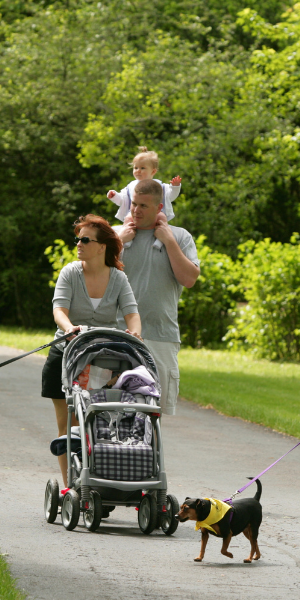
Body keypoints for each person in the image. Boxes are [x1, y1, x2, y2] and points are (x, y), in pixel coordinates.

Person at [43, 214, 142, 484]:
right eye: (77, 239)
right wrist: (69, 328)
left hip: (102, 359)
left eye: (85, 239)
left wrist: (135, 333)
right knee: (67, 427)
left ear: (102, 247)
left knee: (96, 423)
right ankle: (68, 487)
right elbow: (59, 310)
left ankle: (95, 481)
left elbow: (132, 314)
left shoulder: (118, 279)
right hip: (67, 355)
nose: (79, 244)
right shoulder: (70, 272)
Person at [115, 178, 200, 415]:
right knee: (110, 408)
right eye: (133, 204)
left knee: (153, 413)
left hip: (161, 336)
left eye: (144, 206)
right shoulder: (114, 235)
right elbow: (87, 271)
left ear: (159, 207)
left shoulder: (180, 237)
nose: (136, 210)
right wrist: (119, 241)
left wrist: (168, 241)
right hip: (115, 334)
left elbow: (189, 279)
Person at [106, 146, 183, 223]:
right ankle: (127, 233)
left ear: (153, 171)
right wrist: (115, 196)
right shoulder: (131, 186)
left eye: (142, 168)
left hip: (155, 215)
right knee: (128, 219)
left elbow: (170, 197)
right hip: (135, 215)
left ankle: (162, 232)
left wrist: (175, 187)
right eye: (135, 168)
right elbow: (123, 201)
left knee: (162, 218)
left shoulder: (159, 186)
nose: (138, 171)